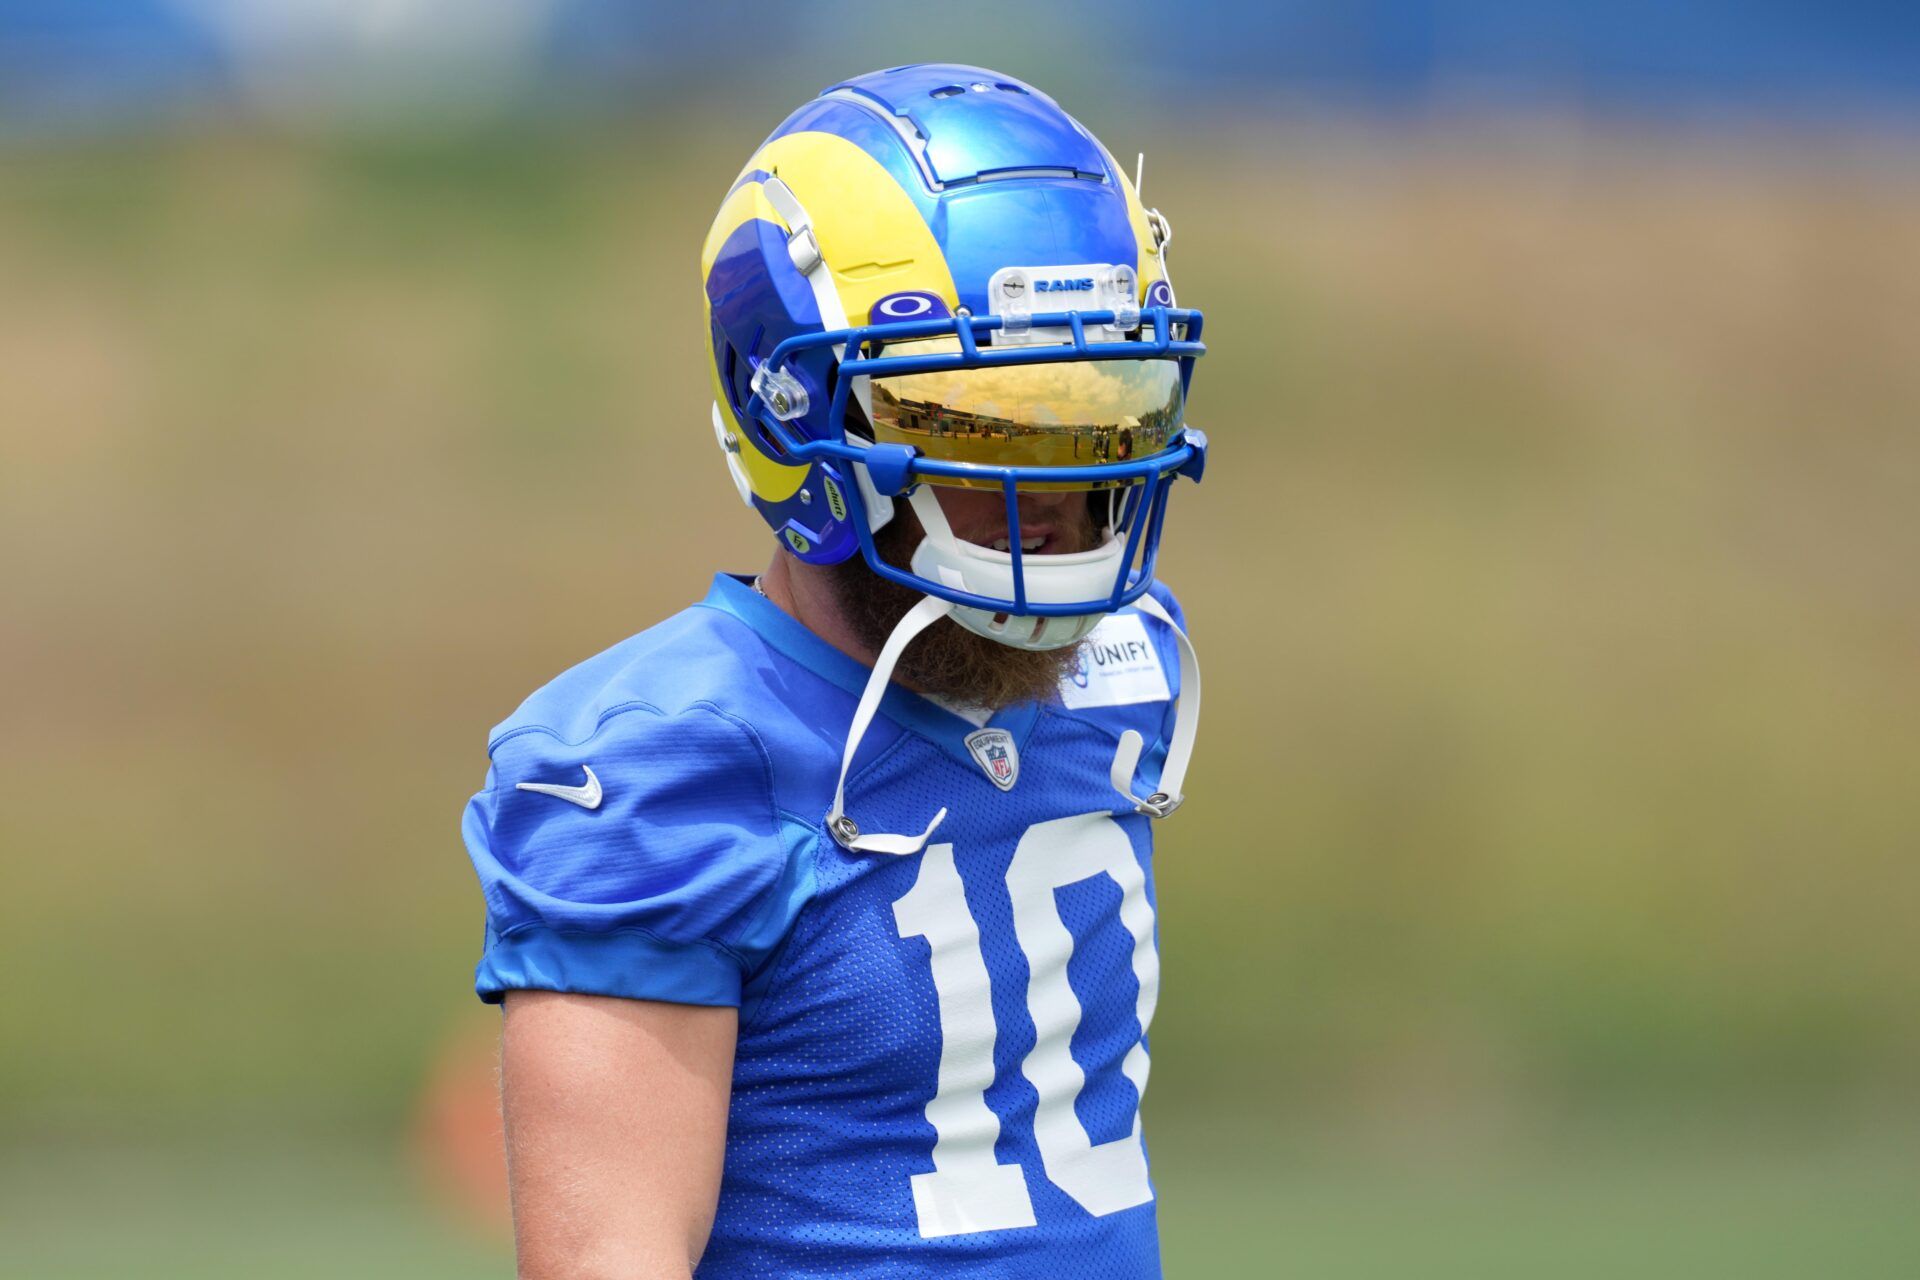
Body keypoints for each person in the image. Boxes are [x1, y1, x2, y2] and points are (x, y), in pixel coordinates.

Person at [462, 62, 1210, 1279]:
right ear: (797, 417)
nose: (1060, 510)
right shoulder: (660, 764)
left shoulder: (1124, 673)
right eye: (981, 431)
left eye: (1098, 422)